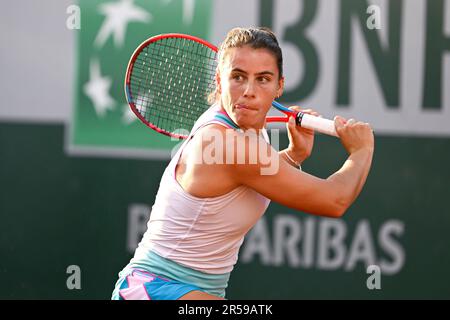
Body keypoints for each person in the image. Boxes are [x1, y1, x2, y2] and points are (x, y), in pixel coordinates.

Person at [111, 27, 374, 300]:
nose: (249, 91)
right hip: (154, 288)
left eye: (263, 79)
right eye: (238, 77)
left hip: (188, 290)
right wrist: (361, 150)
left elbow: (241, 186)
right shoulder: (227, 143)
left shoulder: (244, 132)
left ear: (279, 86)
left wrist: (294, 154)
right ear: (219, 81)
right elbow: (335, 200)